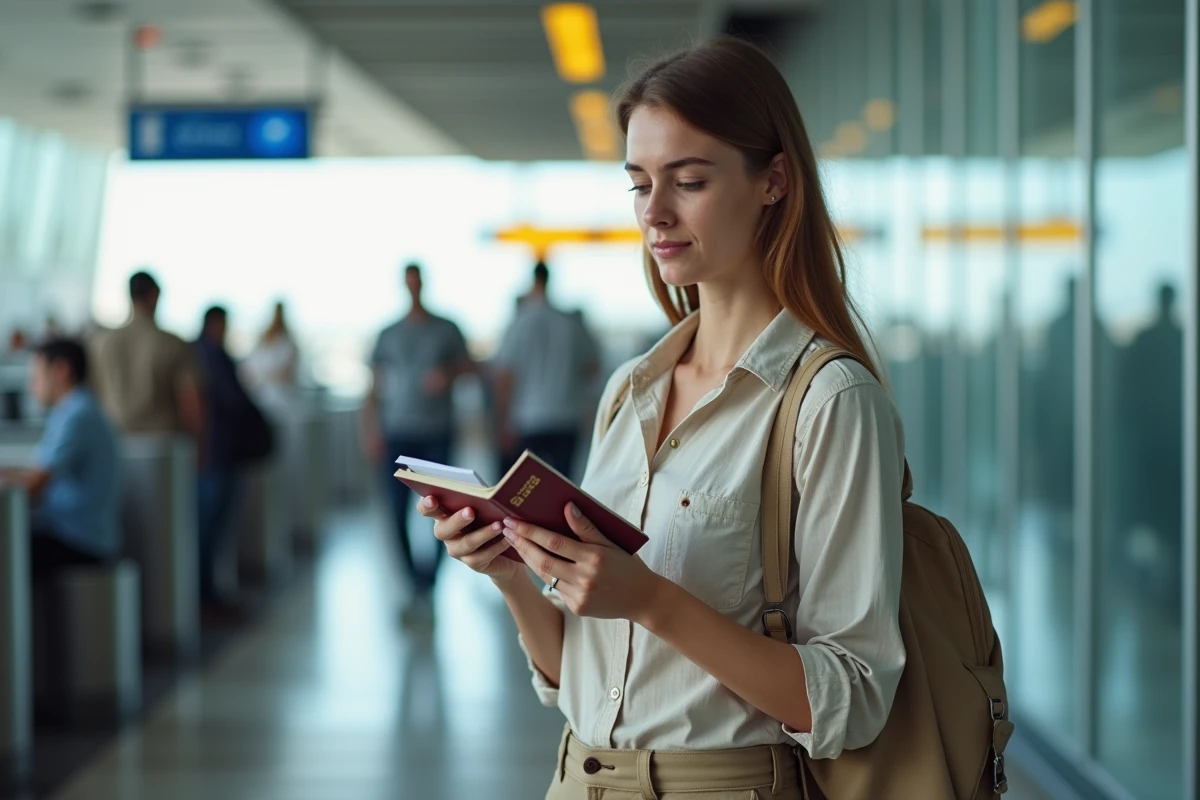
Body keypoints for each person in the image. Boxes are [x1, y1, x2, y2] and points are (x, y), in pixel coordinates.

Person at [419, 37, 906, 799]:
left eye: (689, 181)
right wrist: (512, 575)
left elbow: (852, 698)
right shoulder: (630, 389)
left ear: (774, 180)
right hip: (580, 779)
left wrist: (648, 598)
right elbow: (574, 673)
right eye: (640, 184)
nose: (656, 212)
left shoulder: (828, 402)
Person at [361, 263, 474, 622]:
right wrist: (370, 430)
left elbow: (470, 366)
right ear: (403, 285)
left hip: (437, 430)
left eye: (416, 282)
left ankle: (430, 581)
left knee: (443, 510)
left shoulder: (446, 328)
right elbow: (374, 387)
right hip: (398, 433)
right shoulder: (388, 334)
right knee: (394, 511)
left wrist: (447, 374)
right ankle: (413, 582)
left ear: (423, 284)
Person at [0, 339, 122, 580]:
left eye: (35, 377)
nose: (31, 387)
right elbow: (37, 471)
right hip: (69, 534)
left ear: (61, 370)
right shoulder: (72, 411)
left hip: (79, 541)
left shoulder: (78, 415)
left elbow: (35, 485)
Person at [193, 306, 272, 613]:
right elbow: (232, 401)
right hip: (217, 454)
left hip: (215, 454)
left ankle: (209, 594)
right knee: (210, 528)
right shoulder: (211, 355)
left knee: (211, 528)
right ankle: (206, 598)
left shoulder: (201, 353)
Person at [492, 261, 600, 479]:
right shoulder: (570, 322)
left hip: (527, 419)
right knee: (563, 486)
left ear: (533, 281)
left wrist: (502, 421)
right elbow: (592, 368)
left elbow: (505, 376)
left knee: (524, 489)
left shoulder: (519, 323)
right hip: (566, 416)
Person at [91, 271, 205, 445]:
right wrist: (197, 443)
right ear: (154, 295)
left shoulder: (101, 343)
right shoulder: (172, 343)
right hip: (162, 444)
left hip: (114, 439)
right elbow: (190, 398)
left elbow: (92, 394)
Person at [243, 301, 300, 417]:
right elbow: (249, 370)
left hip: (277, 397)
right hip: (258, 394)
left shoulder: (287, 343)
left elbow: (287, 374)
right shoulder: (262, 341)